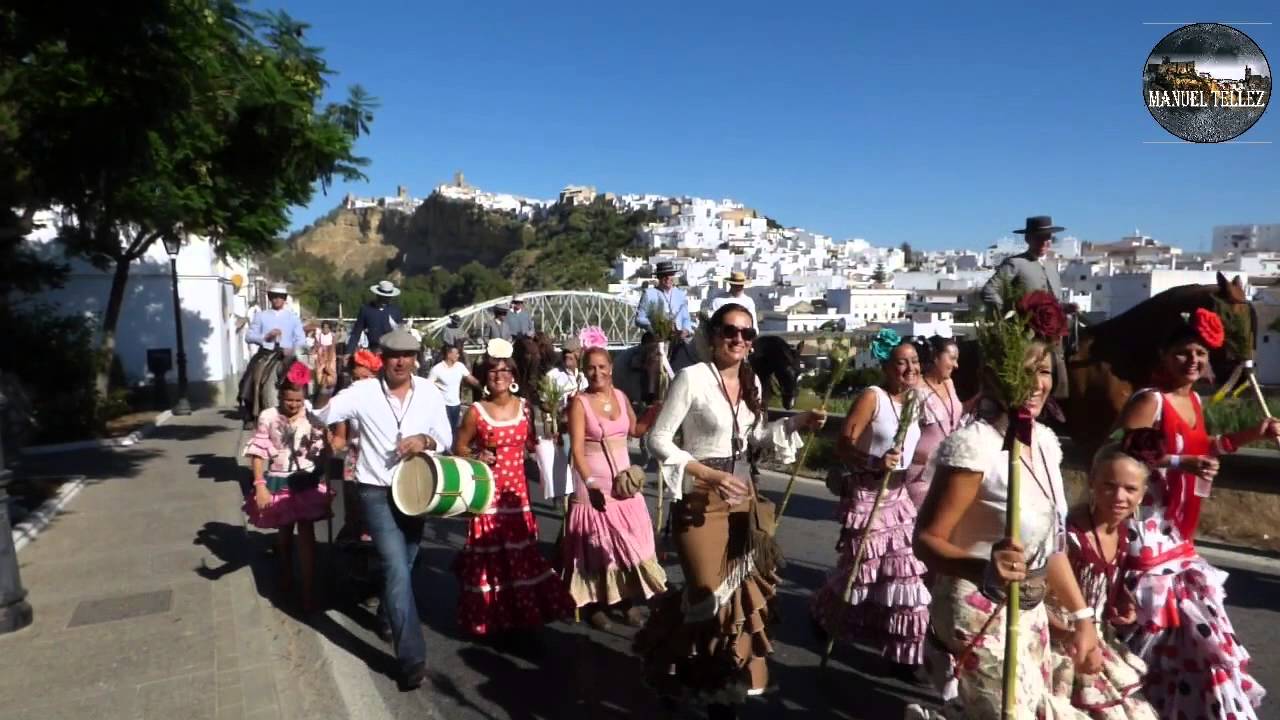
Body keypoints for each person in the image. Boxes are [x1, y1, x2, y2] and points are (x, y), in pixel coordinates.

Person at [635, 303, 826, 719]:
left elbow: (754, 437)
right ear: (713, 334)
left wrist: (796, 422)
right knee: (706, 597)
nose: (739, 339)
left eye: (747, 333)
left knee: (736, 600)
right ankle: (679, 667)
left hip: (743, 501)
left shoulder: (750, 379)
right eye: (730, 331)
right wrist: (707, 473)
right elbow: (658, 440)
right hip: (702, 501)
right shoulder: (692, 378)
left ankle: (720, 690)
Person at [911, 338, 1102, 719]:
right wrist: (981, 568)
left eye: (1044, 371)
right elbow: (925, 541)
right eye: (1023, 371)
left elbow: (1053, 546)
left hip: (1030, 606)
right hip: (975, 604)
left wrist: (1082, 620)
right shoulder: (973, 447)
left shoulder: (1046, 444)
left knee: (1033, 708)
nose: (1035, 383)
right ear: (992, 377)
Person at [1114, 308, 1277, 719]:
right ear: (1164, 356)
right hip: (1145, 528)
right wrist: (1179, 464)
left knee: (1193, 630)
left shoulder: (1195, 402)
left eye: (1200, 353)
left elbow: (1206, 449)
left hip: (1176, 530)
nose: (1193, 360)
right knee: (1153, 626)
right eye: (1184, 352)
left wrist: (1250, 435)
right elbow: (1124, 451)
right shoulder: (1150, 400)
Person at [313, 328, 453, 690]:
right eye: (394, 356)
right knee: (395, 564)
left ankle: (388, 613)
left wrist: (424, 440)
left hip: (417, 489)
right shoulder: (362, 392)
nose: (401, 362)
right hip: (374, 489)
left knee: (406, 563)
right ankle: (411, 659)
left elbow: (446, 436)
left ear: (415, 359)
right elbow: (323, 415)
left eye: (407, 356)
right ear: (383, 359)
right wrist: (318, 388)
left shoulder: (429, 392)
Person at [810, 329, 931, 679]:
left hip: (899, 497)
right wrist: (875, 463)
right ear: (886, 366)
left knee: (904, 571)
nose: (909, 369)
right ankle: (823, 614)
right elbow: (843, 445)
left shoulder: (914, 400)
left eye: (915, 362)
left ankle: (903, 655)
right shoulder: (872, 397)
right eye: (901, 363)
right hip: (868, 493)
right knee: (859, 574)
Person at [452, 339, 576, 637]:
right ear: (485, 376)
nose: (499, 376)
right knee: (490, 558)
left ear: (514, 376)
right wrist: (477, 456)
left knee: (521, 557)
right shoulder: (476, 412)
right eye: (493, 371)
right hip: (487, 493)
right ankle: (491, 619)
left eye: (505, 370)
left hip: (517, 495)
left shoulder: (526, 408)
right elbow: (459, 448)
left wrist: (555, 434)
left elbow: (533, 443)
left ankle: (522, 616)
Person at [1045, 436, 1158, 719]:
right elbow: (1034, 600)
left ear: (1143, 494)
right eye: (1109, 486)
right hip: (1059, 640)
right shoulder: (1070, 538)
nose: (1120, 497)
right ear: (1092, 483)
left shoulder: (1122, 533)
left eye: (1130, 489)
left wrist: (1121, 599)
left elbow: (1103, 584)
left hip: (1094, 639)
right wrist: (1069, 635)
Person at [562, 345, 667, 630]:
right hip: (593, 485)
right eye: (591, 368)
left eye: (602, 366)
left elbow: (635, 431)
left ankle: (628, 599)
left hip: (624, 485)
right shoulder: (579, 404)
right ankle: (596, 604)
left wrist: (655, 412)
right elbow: (578, 453)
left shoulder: (620, 396)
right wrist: (591, 484)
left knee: (631, 541)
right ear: (585, 371)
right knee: (598, 546)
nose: (597, 373)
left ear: (611, 367)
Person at [242, 361, 332, 613]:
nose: (293, 405)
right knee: (284, 534)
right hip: (278, 480)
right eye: (288, 400)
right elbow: (258, 453)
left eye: (298, 401)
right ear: (280, 395)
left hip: (305, 480)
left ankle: (308, 589)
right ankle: (285, 571)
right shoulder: (268, 417)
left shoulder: (312, 416)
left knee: (306, 534)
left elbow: (322, 447)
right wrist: (260, 485)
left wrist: (324, 472)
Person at [980, 216, 1077, 399]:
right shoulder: (1015, 264)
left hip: (1054, 338)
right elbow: (989, 291)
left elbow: (1052, 303)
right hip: (1026, 338)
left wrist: (1065, 308)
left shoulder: (1052, 267)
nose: (1043, 241)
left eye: (1047, 237)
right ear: (1028, 239)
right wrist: (1013, 314)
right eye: (1038, 237)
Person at [330, 350, 383, 545]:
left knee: (378, 512)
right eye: (355, 378)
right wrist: (327, 447)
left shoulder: (386, 402)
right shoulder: (348, 401)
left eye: (365, 377)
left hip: (380, 460)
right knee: (354, 513)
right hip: (355, 460)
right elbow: (340, 438)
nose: (359, 382)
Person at [906, 335, 965, 509]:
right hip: (921, 474)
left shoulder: (949, 383)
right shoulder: (916, 390)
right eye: (952, 358)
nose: (956, 365)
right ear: (935, 357)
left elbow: (954, 415)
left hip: (948, 468)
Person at [239, 284, 307, 423]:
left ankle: (308, 401)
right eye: (274, 296)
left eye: (280, 297)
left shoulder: (293, 317)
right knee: (252, 375)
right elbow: (249, 336)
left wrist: (293, 349)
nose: (277, 299)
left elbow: (301, 339)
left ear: (284, 299)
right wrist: (265, 337)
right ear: (270, 298)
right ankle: (250, 410)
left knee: (305, 374)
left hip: (288, 354)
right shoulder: (261, 316)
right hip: (267, 352)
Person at [635, 260, 694, 338]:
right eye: (664, 275)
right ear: (659, 277)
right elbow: (639, 319)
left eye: (671, 274)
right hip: (657, 338)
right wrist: (656, 325)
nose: (668, 278)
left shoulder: (681, 294)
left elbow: (686, 318)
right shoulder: (649, 294)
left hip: (678, 338)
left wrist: (686, 330)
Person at [426, 344, 479, 429]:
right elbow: (427, 386)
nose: (458, 355)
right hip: (443, 405)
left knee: (454, 429)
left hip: (456, 405)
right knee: (445, 429)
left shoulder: (460, 366)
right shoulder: (437, 369)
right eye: (456, 353)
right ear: (449, 354)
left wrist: (481, 387)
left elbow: (470, 379)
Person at [346, 280, 405, 355]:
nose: (385, 299)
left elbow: (401, 333)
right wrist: (349, 351)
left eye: (388, 297)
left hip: (392, 352)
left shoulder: (396, 311)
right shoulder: (366, 310)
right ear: (377, 295)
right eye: (383, 297)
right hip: (373, 351)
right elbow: (356, 333)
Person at [313, 321, 338, 397]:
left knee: (330, 370)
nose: (325, 329)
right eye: (323, 327)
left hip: (330, 354)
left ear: (329, 328)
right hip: (321, 354)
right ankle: (319, 388)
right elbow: (316, 346)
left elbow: (332, 348)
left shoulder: (332, 336)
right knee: (319, 371)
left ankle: (331, 389)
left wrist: (329, 360)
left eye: (327, 327)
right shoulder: (319, 335)